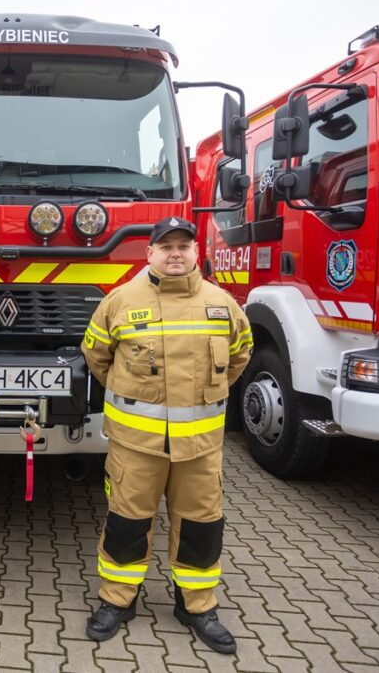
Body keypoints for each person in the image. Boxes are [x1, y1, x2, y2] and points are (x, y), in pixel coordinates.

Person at [80, 217, 252, 654]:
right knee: (126, 522)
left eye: (184, 246)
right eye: (166, 246)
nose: (175, 254)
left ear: (196, 252)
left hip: (200, 448)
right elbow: (96, 356)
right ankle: (118, 600)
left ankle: (197, 606)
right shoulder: (119, 302)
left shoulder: (223, 305)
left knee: (201, 525)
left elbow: (239, 357)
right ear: (150, 253)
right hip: (136, 445)